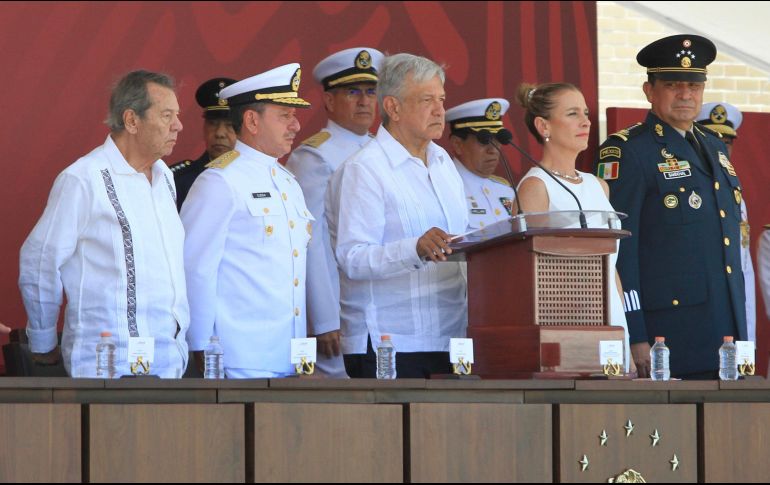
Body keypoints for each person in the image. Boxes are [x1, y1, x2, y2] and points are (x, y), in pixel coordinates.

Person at [594, 34, 746, 379]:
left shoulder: (714, 147)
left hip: (724, 329)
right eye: (673, 85)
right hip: (668, 333)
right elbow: (619, 249)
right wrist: (635, 333)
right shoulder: (629, 151)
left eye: (694, 85)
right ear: (650, 91)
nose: (685, 94)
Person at [19, 70, 189, 377]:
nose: (178, 125)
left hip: (169, 362)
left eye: (176, 115)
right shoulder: (84, 179)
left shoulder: (166, 178)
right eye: (166, 115)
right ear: (132, 120)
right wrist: (43, 341)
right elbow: (40, 260)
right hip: (107, 366)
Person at [326, 53, 468, 378]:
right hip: (390, 341)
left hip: (452, 337)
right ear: (393, 108)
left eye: (442, 100)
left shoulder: (445, 163)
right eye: (427, 100)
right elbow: (353, 258)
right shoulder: (365, 169)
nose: (439, 110)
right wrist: (414, 249)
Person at [181, 64, 313, 378]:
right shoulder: (219, 181)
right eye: (284, 115)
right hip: (239, 360)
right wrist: (200, 347)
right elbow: (195, 269)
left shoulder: (288, 182)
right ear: (252, 120)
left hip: (291, 360)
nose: (295, 125)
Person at [515, 82, 631, 372]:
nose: (585, 121)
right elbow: (530, 272)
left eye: (586, 113)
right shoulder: (535, 186)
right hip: (565, 320)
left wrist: (624, 330)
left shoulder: (598, 185)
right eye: (572, 114)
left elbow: (610, 265)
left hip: (611, 314)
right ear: (544, 126)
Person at [285, 47, 383, 378]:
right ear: (328, 101)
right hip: (342, 312)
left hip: (381, 309)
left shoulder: (384, 151)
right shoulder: (315, 156)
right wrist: (325, 318)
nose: (364, 101)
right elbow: (312, 242)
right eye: (352, 92)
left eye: (371, 92)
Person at [697, 102, 756, 343]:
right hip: (701, 310)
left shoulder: (734, 191)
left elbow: (744, 264)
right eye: (713, 138)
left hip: (737, 308)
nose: (720, 146)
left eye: (727, 141)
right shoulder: (691, 188)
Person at [445, 98, 515, 228]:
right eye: (484, 140)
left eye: (498, 139)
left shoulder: (505, 189)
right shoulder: (444, 187)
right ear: (457, 144)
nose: (493, 149)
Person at [169, 77, 237, 211]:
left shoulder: (257, 177)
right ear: (204, 128)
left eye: (230, 125)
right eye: (213, 124)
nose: (220, 133)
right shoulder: (178, 179)